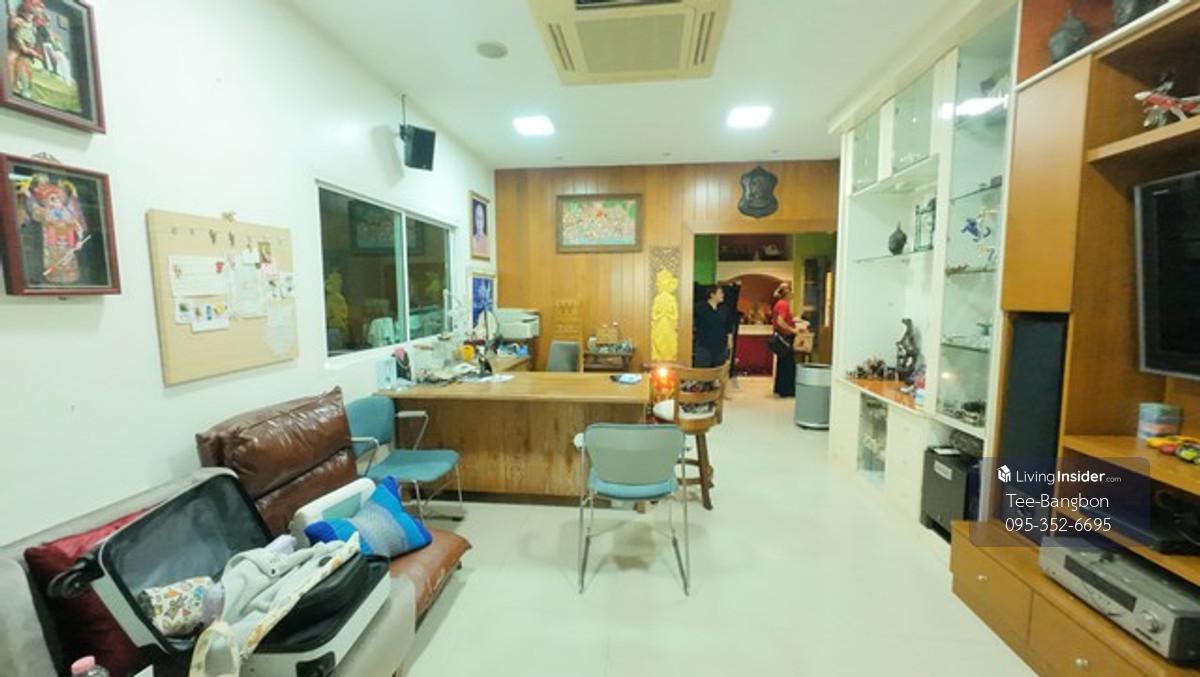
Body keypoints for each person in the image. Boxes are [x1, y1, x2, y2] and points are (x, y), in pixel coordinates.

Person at [771, 283, 799, 397]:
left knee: (783, 364)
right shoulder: (783, 304)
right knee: (788, 364)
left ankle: (781, 389)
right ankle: (787, 390)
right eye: (791, 291)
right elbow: (780, 321)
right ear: (787, 293)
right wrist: (792, 330)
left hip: (782, 336)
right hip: (785, 337)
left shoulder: (780, 303)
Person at [693, 285, 729, 368]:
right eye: (720, 293)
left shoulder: (725, 309)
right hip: (704, 346)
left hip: (721, 347)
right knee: (703, 372)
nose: (723, 295)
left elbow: (728, 328)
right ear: (712, 294)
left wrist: (729, 345)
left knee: (718, 371)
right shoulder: (699, 308)